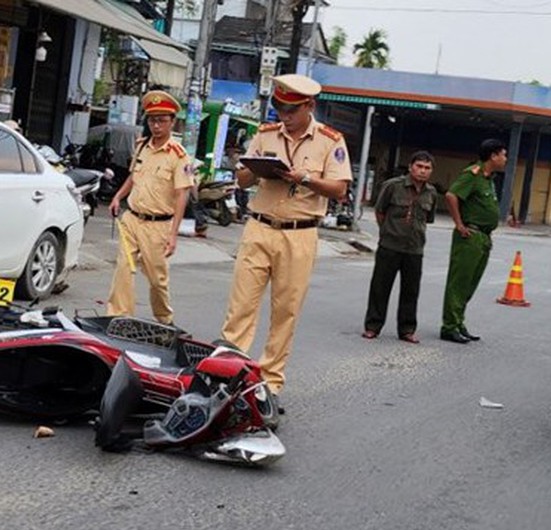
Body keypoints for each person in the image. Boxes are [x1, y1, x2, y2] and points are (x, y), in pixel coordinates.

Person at [220, 74, 352, 407]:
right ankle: (227, 375)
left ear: (310, 106)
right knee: (241, 306)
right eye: (279, 107)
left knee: (285, 311)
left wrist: (304, 177)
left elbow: (339, 189)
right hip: (259, 227)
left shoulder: (329, 140)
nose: (284, 115)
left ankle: (269, 383)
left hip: (300, 233)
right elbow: (242, 179)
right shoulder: (265, 134)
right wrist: (252, 168)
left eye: (292, 108)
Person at [106, 90, 194, 324]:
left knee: (157, 279)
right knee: (124, 268)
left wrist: (173, 235)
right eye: (152, 120)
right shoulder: (142, 146)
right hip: (132, 218)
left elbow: (181, 195)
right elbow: (133, 177)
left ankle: (165, 319)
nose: (156, 126)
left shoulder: (179, 156)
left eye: (162, 120)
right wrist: (118, 197)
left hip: (159, 225)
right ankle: (119, 316)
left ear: (172, 122)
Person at [362, 151, 438, 343]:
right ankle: (373, 326)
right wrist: (388, 231)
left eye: (427, 168)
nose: (422, 171)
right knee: (380, 287)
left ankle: (407, 330)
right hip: (390, 245)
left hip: (415, 249)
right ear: (411, 167)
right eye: (419, 166)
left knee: (411, 291)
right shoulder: (392, 186)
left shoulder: (431, 193)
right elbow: (380, 212)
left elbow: (427, 219)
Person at [440, 138, 508, 343]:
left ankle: (459, 322)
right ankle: (449, 326)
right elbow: (451, 196)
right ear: (493, 156)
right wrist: (459, 224)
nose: (505, 159)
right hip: (469, 236)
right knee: (459, 282)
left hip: (483, 238)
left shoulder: (488, 178)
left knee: (470, 283)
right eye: (503, 154)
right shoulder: (473, 174)